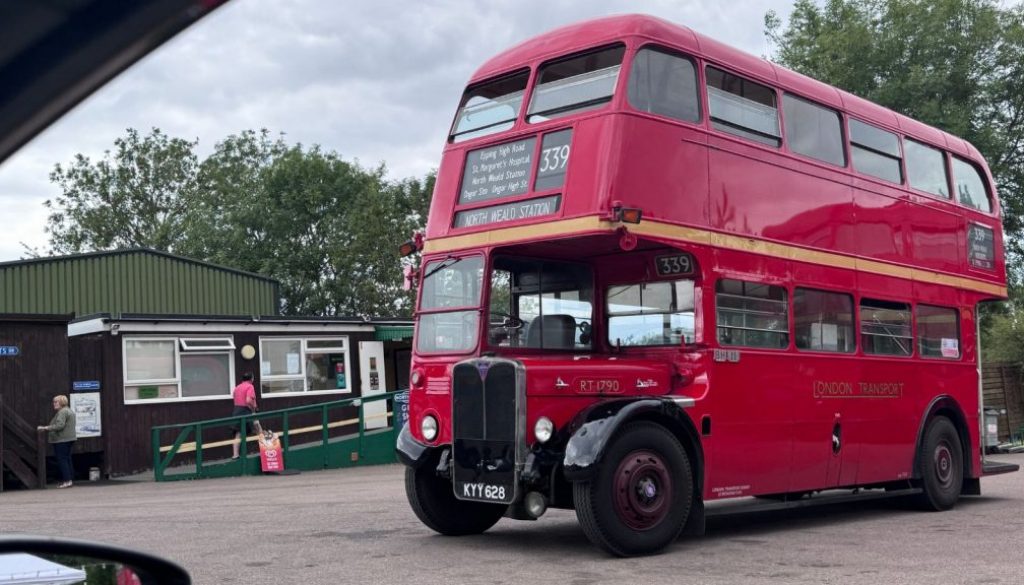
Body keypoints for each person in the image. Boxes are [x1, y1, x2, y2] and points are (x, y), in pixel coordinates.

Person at [37, 394, 76, 488]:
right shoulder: (68, 410)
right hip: (69, 438)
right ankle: (70, 479)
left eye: (56, 402)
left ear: (61, 402)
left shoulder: (62, 412)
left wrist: (45, 428)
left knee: (62, 460)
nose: (53, 404)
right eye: (54, 402)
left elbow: (60, 425)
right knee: (67, 459)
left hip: (62, 439)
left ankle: (67, 481)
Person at [231, 373, 258, 459]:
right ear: (251, 379)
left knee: (238, 433)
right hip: (246, 411)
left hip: (236, 411)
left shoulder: (237, 387)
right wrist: (254, 408)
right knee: (258, 428)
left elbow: (234, 398)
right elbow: (248, 400)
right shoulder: (250, 386)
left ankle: (235, 455)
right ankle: (267, 450)